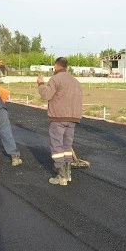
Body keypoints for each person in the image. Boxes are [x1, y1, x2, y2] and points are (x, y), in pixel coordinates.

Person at [37, 57, 83, 186]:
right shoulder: (75, 81)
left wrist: (40, 84)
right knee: (67, 146)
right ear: (66, 67)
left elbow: (46, 95)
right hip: (73, 118)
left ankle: (61, 175)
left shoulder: (55, 79)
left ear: (56, 66)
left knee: (57, 146)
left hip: (58, 118)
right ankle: (67, 174)